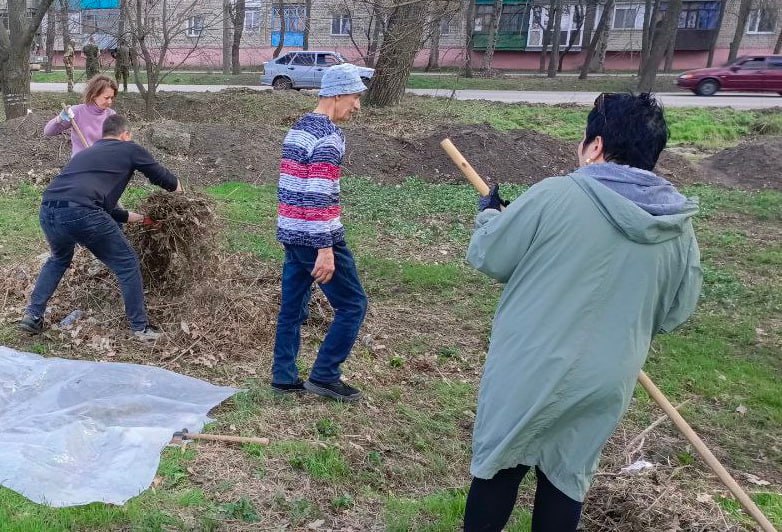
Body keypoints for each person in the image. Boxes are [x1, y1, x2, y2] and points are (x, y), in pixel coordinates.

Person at [463, 93, 702, 531]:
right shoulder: (678, 228)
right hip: (608, 376)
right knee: (566, 477)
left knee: (499, 464)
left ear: (595, 145)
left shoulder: (556, 195)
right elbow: (675, 312)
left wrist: (490, 216)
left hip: (531, 365)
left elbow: (491, 257)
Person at [19, 115, 183, 341]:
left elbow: (109, 210)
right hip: (82, 213)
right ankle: (141, 328)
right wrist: (182, 194)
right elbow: (162, 177)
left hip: (49, 210)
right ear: (125, 135)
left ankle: (33, 315)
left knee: (58, 260)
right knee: (126, 263)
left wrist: (144, 219)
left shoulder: (87, 155)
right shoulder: (129, 148)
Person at [271, 63, 368, 402]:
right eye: (355, 97)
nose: (357, 106)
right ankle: (325, 375)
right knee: (353, 305)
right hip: (317, 236)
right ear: (338, 94)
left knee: (292, 308)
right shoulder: (329, 136)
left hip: (292, 233)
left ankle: (283, 377)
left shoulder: (297, 128)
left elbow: (289, 188)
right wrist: (325, 248)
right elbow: (316, 194)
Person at [44, 74, 118, 157]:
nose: (110, 102)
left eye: (112, 98)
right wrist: (59, 119)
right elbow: (48, 132)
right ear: (94, 96)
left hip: (102, 163)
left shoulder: (111, 115)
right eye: (106, 98)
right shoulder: (77, 112)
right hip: (80, 163)